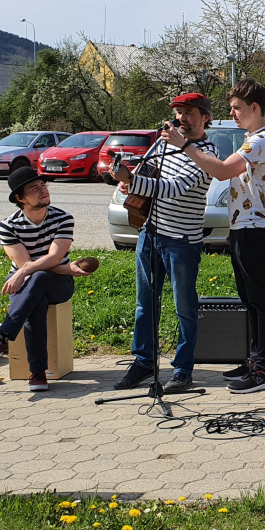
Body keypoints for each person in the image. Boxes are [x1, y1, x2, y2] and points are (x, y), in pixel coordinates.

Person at [170, 78, 265, 394]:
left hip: (256, 229)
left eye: (236, 108)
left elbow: (221, 170)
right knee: (250, 300)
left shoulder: (261, 140)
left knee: (260, 300)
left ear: (254, 107)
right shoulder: (253, 138)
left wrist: (185, 146)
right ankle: (254, 360)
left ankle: (264, 371)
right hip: (244, 227)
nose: (232, 113)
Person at [111, 93, 218, 394]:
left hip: (182, 240)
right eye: (178, 112)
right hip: (151, 232)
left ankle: (183, 370)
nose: (181, 118)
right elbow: (147, 172)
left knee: (185, 307)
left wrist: (133, 181)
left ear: (205, 118)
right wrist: (127, 179)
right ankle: (144, 362)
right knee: (145, 304)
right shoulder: (163, 142)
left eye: (189, 112)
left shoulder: (207, 152)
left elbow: (175, 188)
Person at [0, 167, 97, 391]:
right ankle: (38, 373)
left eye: (43, 185)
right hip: (30, 281)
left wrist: (25, 272)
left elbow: (53, 257)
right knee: (36, 299)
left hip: (59, 282)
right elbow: (25, 263)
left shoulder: (63, 218)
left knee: (38, 276)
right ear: (20, 198)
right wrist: (30, 270)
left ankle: (1, 338)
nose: (43, 190)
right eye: (34, 188)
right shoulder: (8, 226)